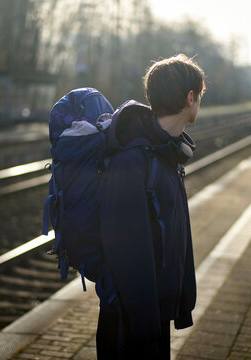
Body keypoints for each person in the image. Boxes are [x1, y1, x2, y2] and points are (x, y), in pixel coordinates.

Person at [95, 54, 205, 359]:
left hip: (153, 314)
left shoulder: (166, 154)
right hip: (129, 322)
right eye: (201, 96)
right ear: (190, 97)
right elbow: (126, 251)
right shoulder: (133, 160)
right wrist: (145, 328)